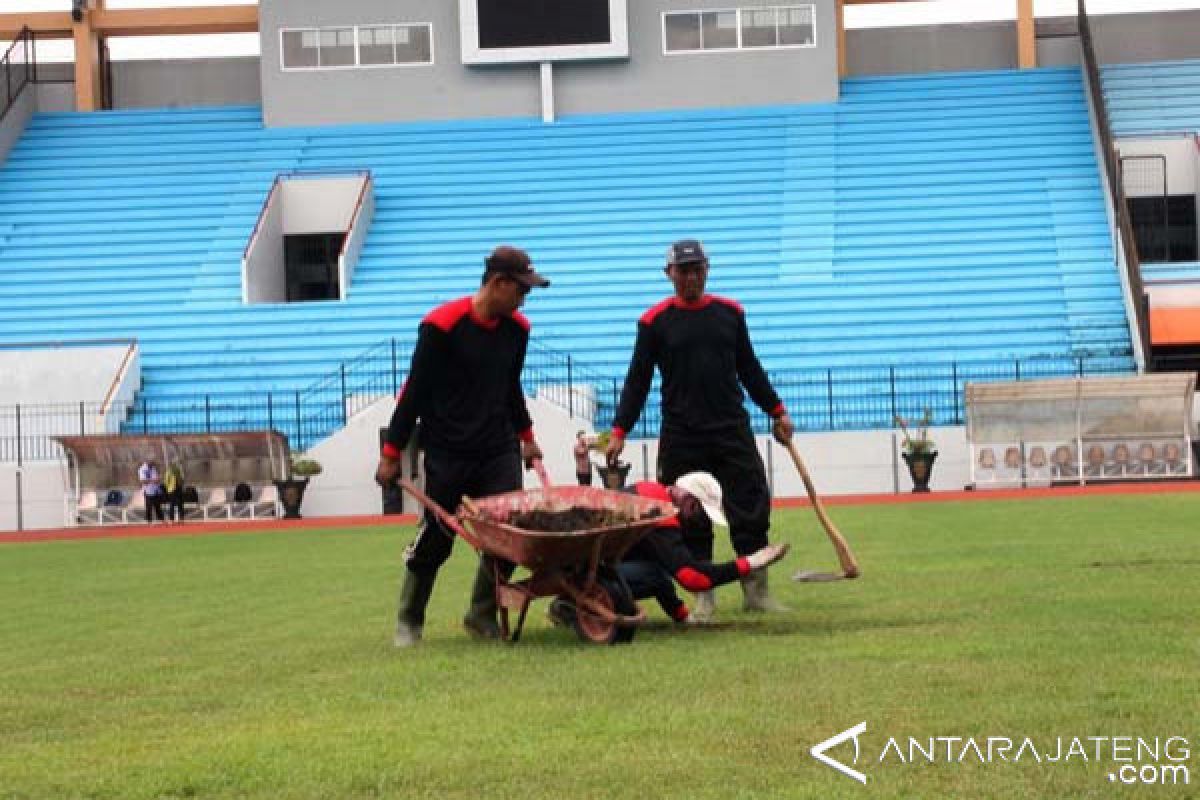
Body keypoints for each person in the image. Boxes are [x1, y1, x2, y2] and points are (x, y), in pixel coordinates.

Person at [604, 239, 795, 617]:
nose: (691, 277)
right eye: (683, 270)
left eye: (697, 269)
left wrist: (777, 411)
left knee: (751, 508)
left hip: (731, 430)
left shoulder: (731, 313)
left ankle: (755, 593)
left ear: (707, 269)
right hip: (682, 436)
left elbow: (750, 368)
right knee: (688, 515)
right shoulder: (653, 322)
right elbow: (637, 381)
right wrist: (619, 431)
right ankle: (703, 598)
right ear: (669, 274)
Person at [375, 245, 549, 648]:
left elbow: (510, 387)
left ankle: (481, 614)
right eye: (521, 290)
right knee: (437, 537)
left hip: (497, 448)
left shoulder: (518, 329)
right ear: (498, 284)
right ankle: (409, 619)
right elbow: (414, 392)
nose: (525, 298)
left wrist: (527, 438)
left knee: (508, 533)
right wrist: (390, 454)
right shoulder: (442, 325)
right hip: (448, 451)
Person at [137, 459, 165, 524]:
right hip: (148, 490)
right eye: (152, 462)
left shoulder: (153, 468)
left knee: (158, 506)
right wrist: (152, 480)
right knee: (149, 507)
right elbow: (143, 481)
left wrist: (158, 480)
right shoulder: (142, 469)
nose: (153, 463)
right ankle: (148, 521)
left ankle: (161, 520)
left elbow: (157, 479)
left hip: (156, 490)